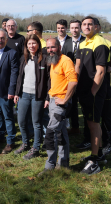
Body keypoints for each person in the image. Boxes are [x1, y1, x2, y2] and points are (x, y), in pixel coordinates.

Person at [75, 16, 110, 174]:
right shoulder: (82, 43)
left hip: (94, 92)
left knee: (94, 124)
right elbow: (77, 67)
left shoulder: (100, 43)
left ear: (97, 27)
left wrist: (92, 92)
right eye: (84, 24)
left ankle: (94, 162)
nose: (86, 27)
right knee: (91, 123)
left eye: (90, 24)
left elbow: (101, 71)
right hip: (83, 91)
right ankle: (100, 154)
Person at [39, 38, 77, 174]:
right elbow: (56, 83)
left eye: (52, 47)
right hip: (53, 101)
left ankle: (49, 166)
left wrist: (65, 100)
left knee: (50, 133)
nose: (50, 50)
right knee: (61, 133)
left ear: (59, 47)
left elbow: (73, 82)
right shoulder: (54, 61)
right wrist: (49, 98)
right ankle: (64, 164)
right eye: (48, 48)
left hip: (61, 104)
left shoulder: (65, 61)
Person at [14, 34, 50, 160]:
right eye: (29, 44)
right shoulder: (24, 58)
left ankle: (35, 148)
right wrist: (17, 93)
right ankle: (25, 143)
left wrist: (47, 98)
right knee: (22, 121)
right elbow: (19, 78)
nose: (31, 46)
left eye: (34, 43)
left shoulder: (44, 58)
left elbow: (48, 80)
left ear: (38, 45)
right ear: (26, 46)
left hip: (38, 96)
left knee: (36, 123)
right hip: (24, 94)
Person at [62, 20, 85, 137]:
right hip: (70, 79)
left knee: (85, 105)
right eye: (72, 28)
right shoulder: (66, 43)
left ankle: (88, 130)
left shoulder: (85, 41)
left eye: (76, 28)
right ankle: (75, 127)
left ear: (80, 28)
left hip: (85, 78)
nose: (74, 30)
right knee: (73, 104)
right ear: (69, 29)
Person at [93, 18, 111, 155]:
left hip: (106, 85)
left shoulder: (104, 43)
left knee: (106, 116)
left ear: (97, 27)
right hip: (98, 84)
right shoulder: (89, 43)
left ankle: (108, 143)